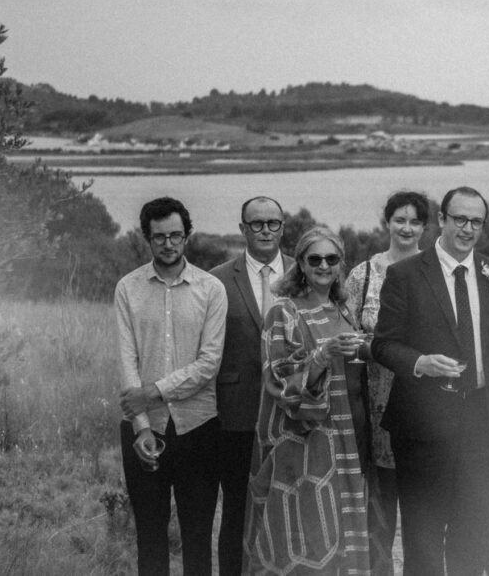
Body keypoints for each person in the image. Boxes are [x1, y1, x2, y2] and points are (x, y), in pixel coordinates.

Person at [372, 186, 489, 576]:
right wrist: (420, 362)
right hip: (423, 424)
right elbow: (383, 345)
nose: (468, 229)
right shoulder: (404, 274)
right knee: (423, 536)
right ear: (441, 219)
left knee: (472, 533)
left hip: (482, 422)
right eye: (460, 219)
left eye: (476, 222)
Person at [243, 226, 371, 574]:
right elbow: (278, 381)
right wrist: (322, 355)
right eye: (315, 259)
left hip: (348, 434)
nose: (324, 266)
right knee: (306, 534)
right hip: (305, 444)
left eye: (332, 259)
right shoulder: (284, 312)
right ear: (300, 263)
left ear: (341, 263)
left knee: (343, 531)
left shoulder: (342, 308)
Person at [115, 196, 227, 576]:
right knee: (149, 539)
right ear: (147, 238)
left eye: (175, 235)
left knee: (198, 540)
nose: (168, 244)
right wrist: (142, 427)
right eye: (159, 236)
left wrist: (152, 393)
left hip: (199, 428)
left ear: (187, 236)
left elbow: (208, 365)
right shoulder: (127, 289)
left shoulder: (211, 289)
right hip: (144, 429)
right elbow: (127, 362)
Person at [345, 190, 430, 575]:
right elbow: (345, 336)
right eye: (400, 220)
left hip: (421, 408)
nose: (407, 228)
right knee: (377, 516)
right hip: (373, 408)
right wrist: (376, 348)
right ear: (387, 222)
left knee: (422, 520)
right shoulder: (363, 275)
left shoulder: (433, 272)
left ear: (424, 227)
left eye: (414, 221)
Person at [209, 196, 291, 576]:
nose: (265, 231)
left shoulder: (304, 272)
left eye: (273, 223)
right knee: (237, 511)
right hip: (237, 415)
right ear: (242, 228)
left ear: (283, 227)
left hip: (291, 414)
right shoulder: (217, 279)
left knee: (287, 508)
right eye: (257, 223)